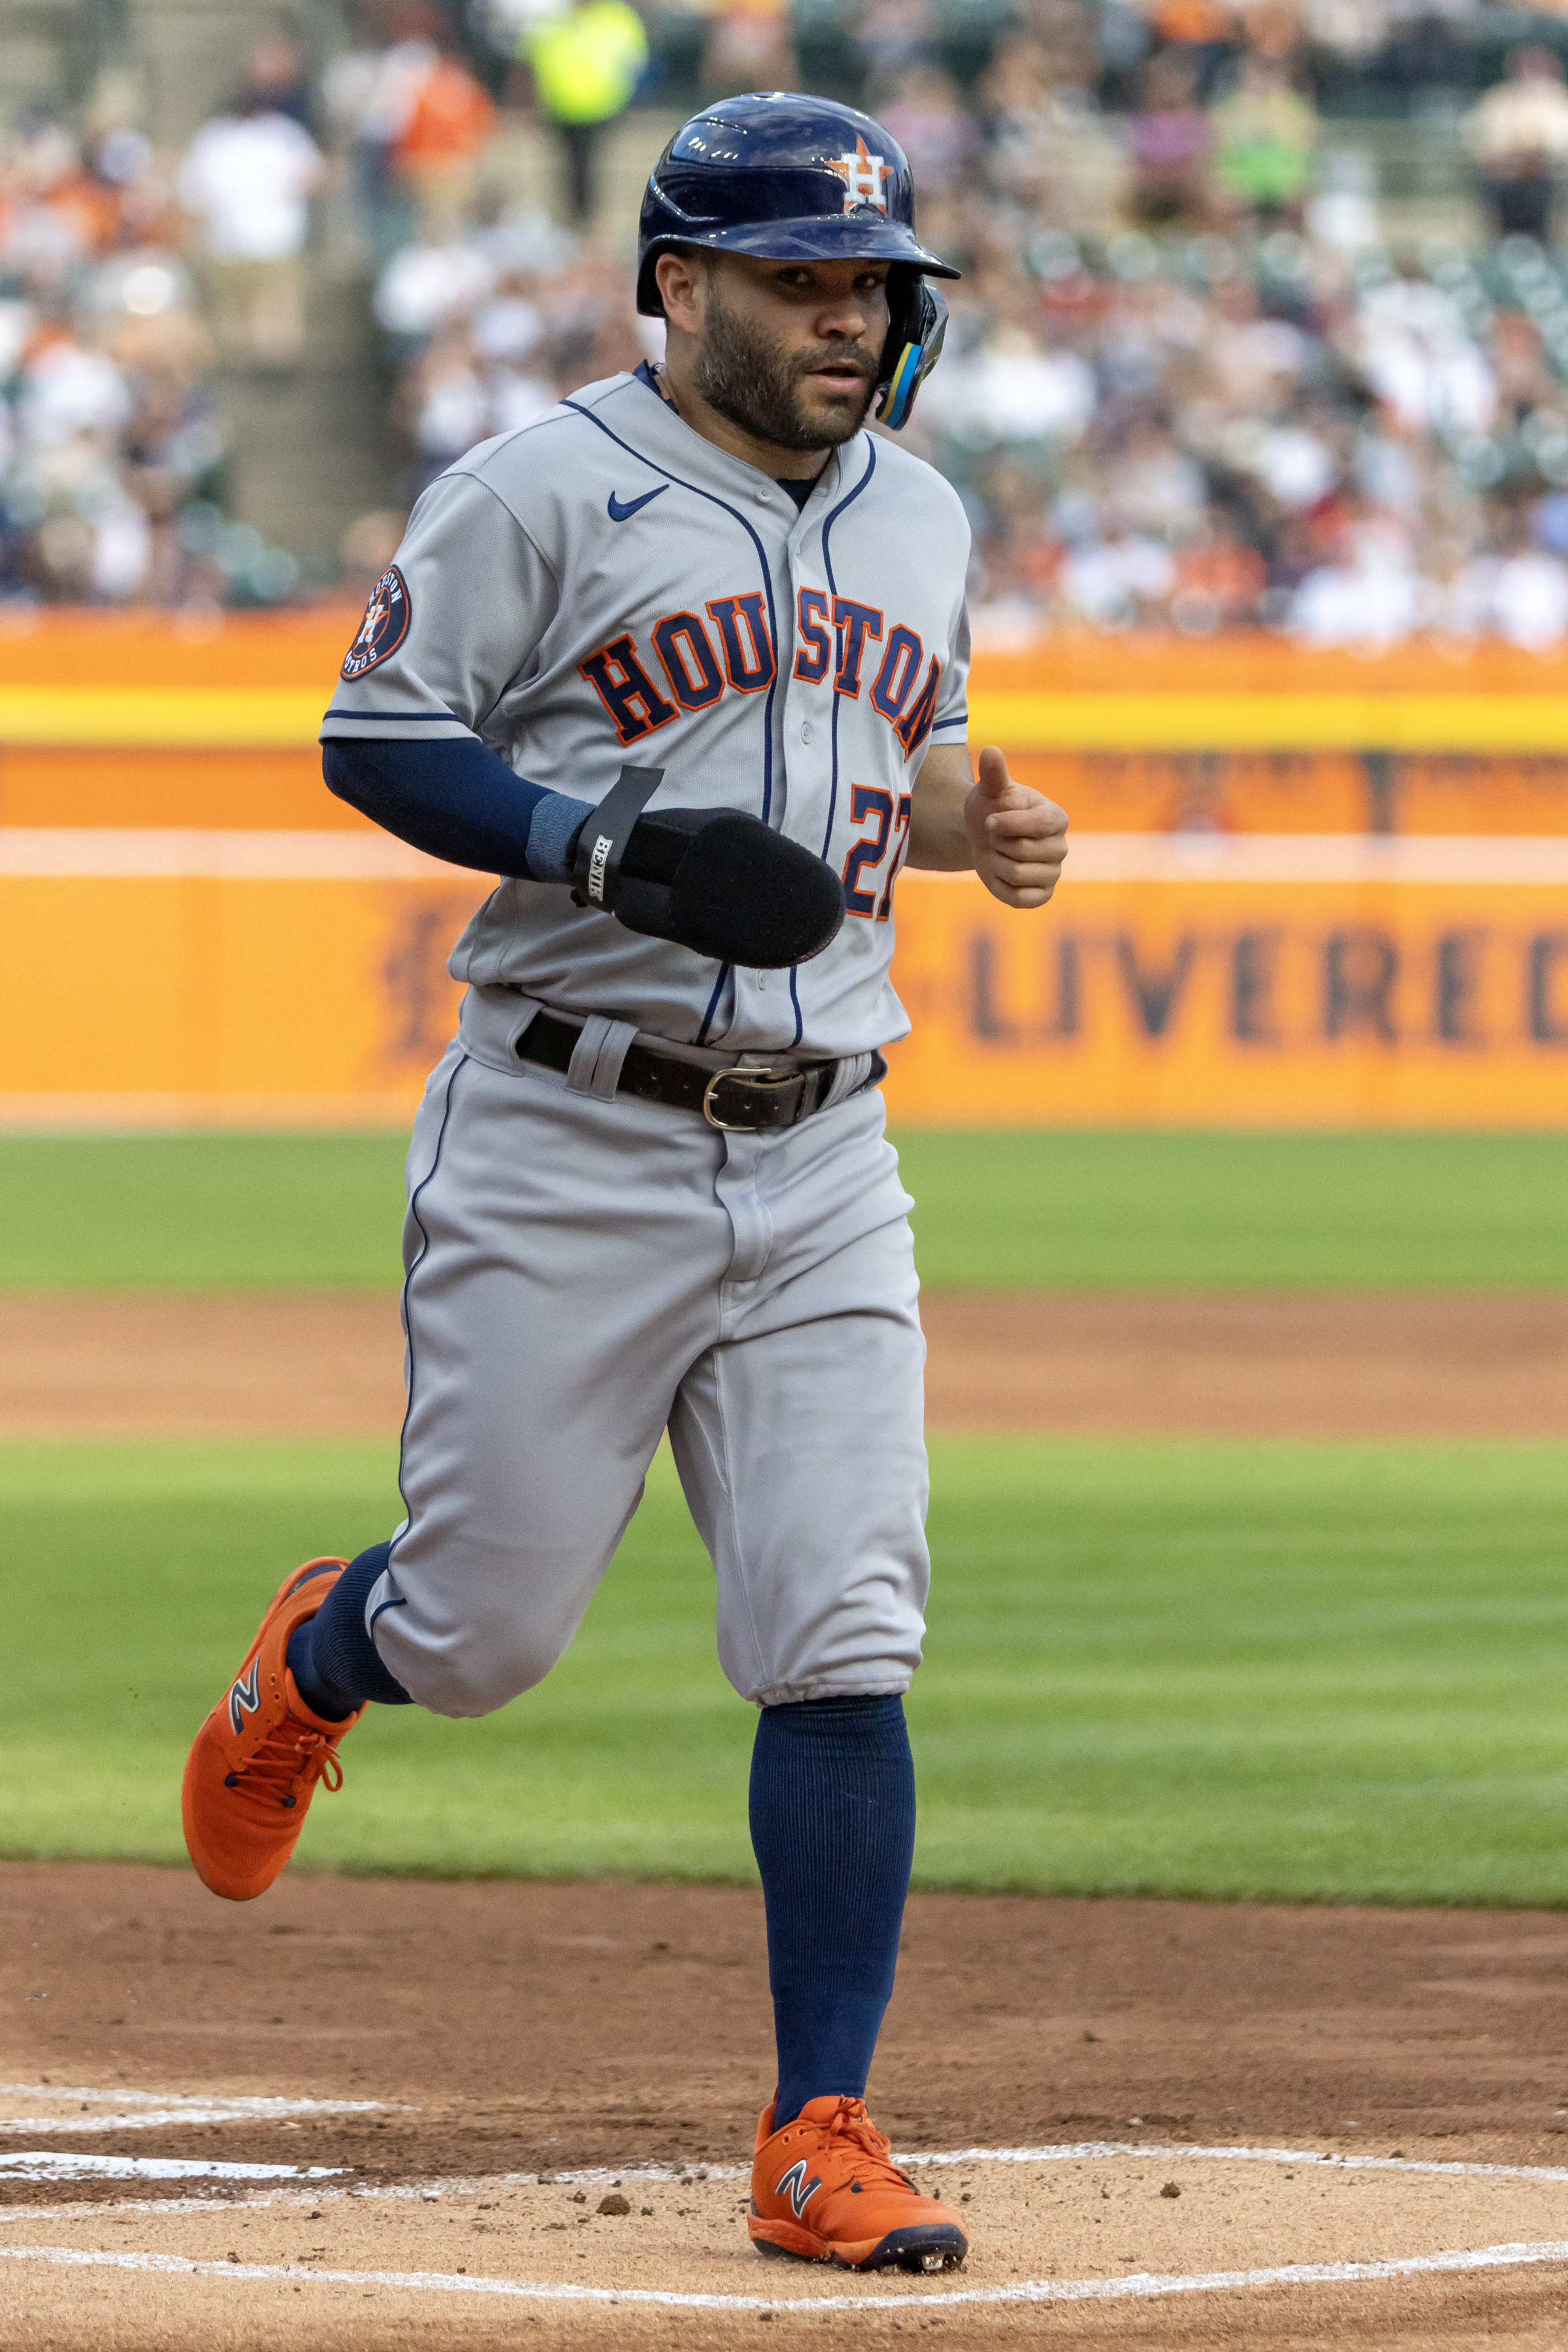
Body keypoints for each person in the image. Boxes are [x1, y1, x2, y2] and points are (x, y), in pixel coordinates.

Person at [182, 91, 1068, 2276]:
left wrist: (975, 827)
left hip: (832, 1139)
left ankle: (818, 2132)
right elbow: (377, 732)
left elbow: (903, 760)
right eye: (800, 278)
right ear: (681, 287)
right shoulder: (543, 487)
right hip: (567, 1128)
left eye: (872, 283)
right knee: (482, 1638)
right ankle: (326, 1650)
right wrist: (595, 843)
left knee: (845, 1627)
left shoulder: (924, 518)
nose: (848, 319)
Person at [176, 91, 324, 370]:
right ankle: (253, 363)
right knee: (250, 305)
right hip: (247, 237)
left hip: (261, 235)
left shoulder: (276, 134)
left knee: (264, 304)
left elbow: (195, 194)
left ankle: (270, 362)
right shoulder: (227, 137)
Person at [522, 0, 649, 226]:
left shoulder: (618, 17)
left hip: (604, 108)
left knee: (595, 170)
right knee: (570, 169)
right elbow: (535, 58)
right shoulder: (554, 17)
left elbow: (634, 60)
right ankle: (576, 222)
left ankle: (591, 223)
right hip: (563, 108)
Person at [1465, 44, 1568, 243]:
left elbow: (1558, 146)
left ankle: (1547, 247)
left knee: (1544, 186)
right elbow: (1483, 144)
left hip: (1547, 177)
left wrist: (1533, 157)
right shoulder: (1498, 99)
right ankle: (1501, 247)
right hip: (1506, 177)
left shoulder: (1560, 100)